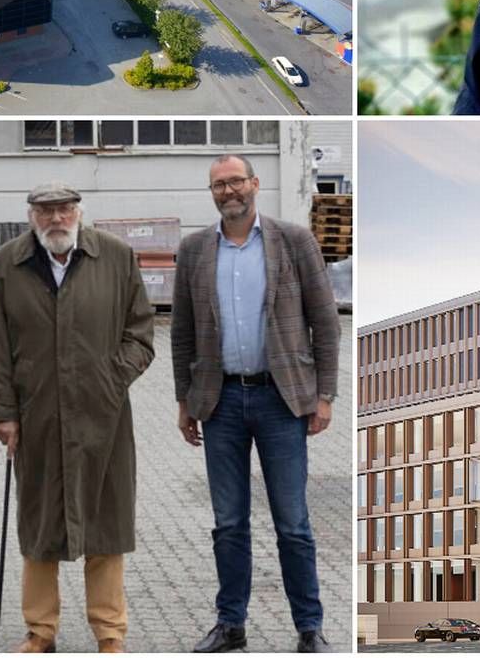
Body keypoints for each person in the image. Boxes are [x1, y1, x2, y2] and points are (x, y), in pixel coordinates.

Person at [175, 155, 340, 654]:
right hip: (220, 401)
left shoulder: (293, 241)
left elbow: (325, 321)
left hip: (281, 399)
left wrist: (325, 395)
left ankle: (309, 628)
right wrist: (185, 400)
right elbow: (182, 332)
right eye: (219, 185)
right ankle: (231, 625)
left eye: (236, 181)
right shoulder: (195, 249)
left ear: (255, 184)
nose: (229, 191)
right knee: (229, 523)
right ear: (212, 193)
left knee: (293, 523)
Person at [0, 183, 154, 654]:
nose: (56, 219)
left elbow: (140, 333)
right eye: (45, 212)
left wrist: (110, 378)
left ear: (79, 212)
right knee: (40, 525)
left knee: (106, 523)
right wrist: (3, 411)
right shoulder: (10, 262)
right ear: (31, 216)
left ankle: (110, 634)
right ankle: (40, 631)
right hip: (36, 415)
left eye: (64, 210)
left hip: (104, 416)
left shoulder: (116, 257)